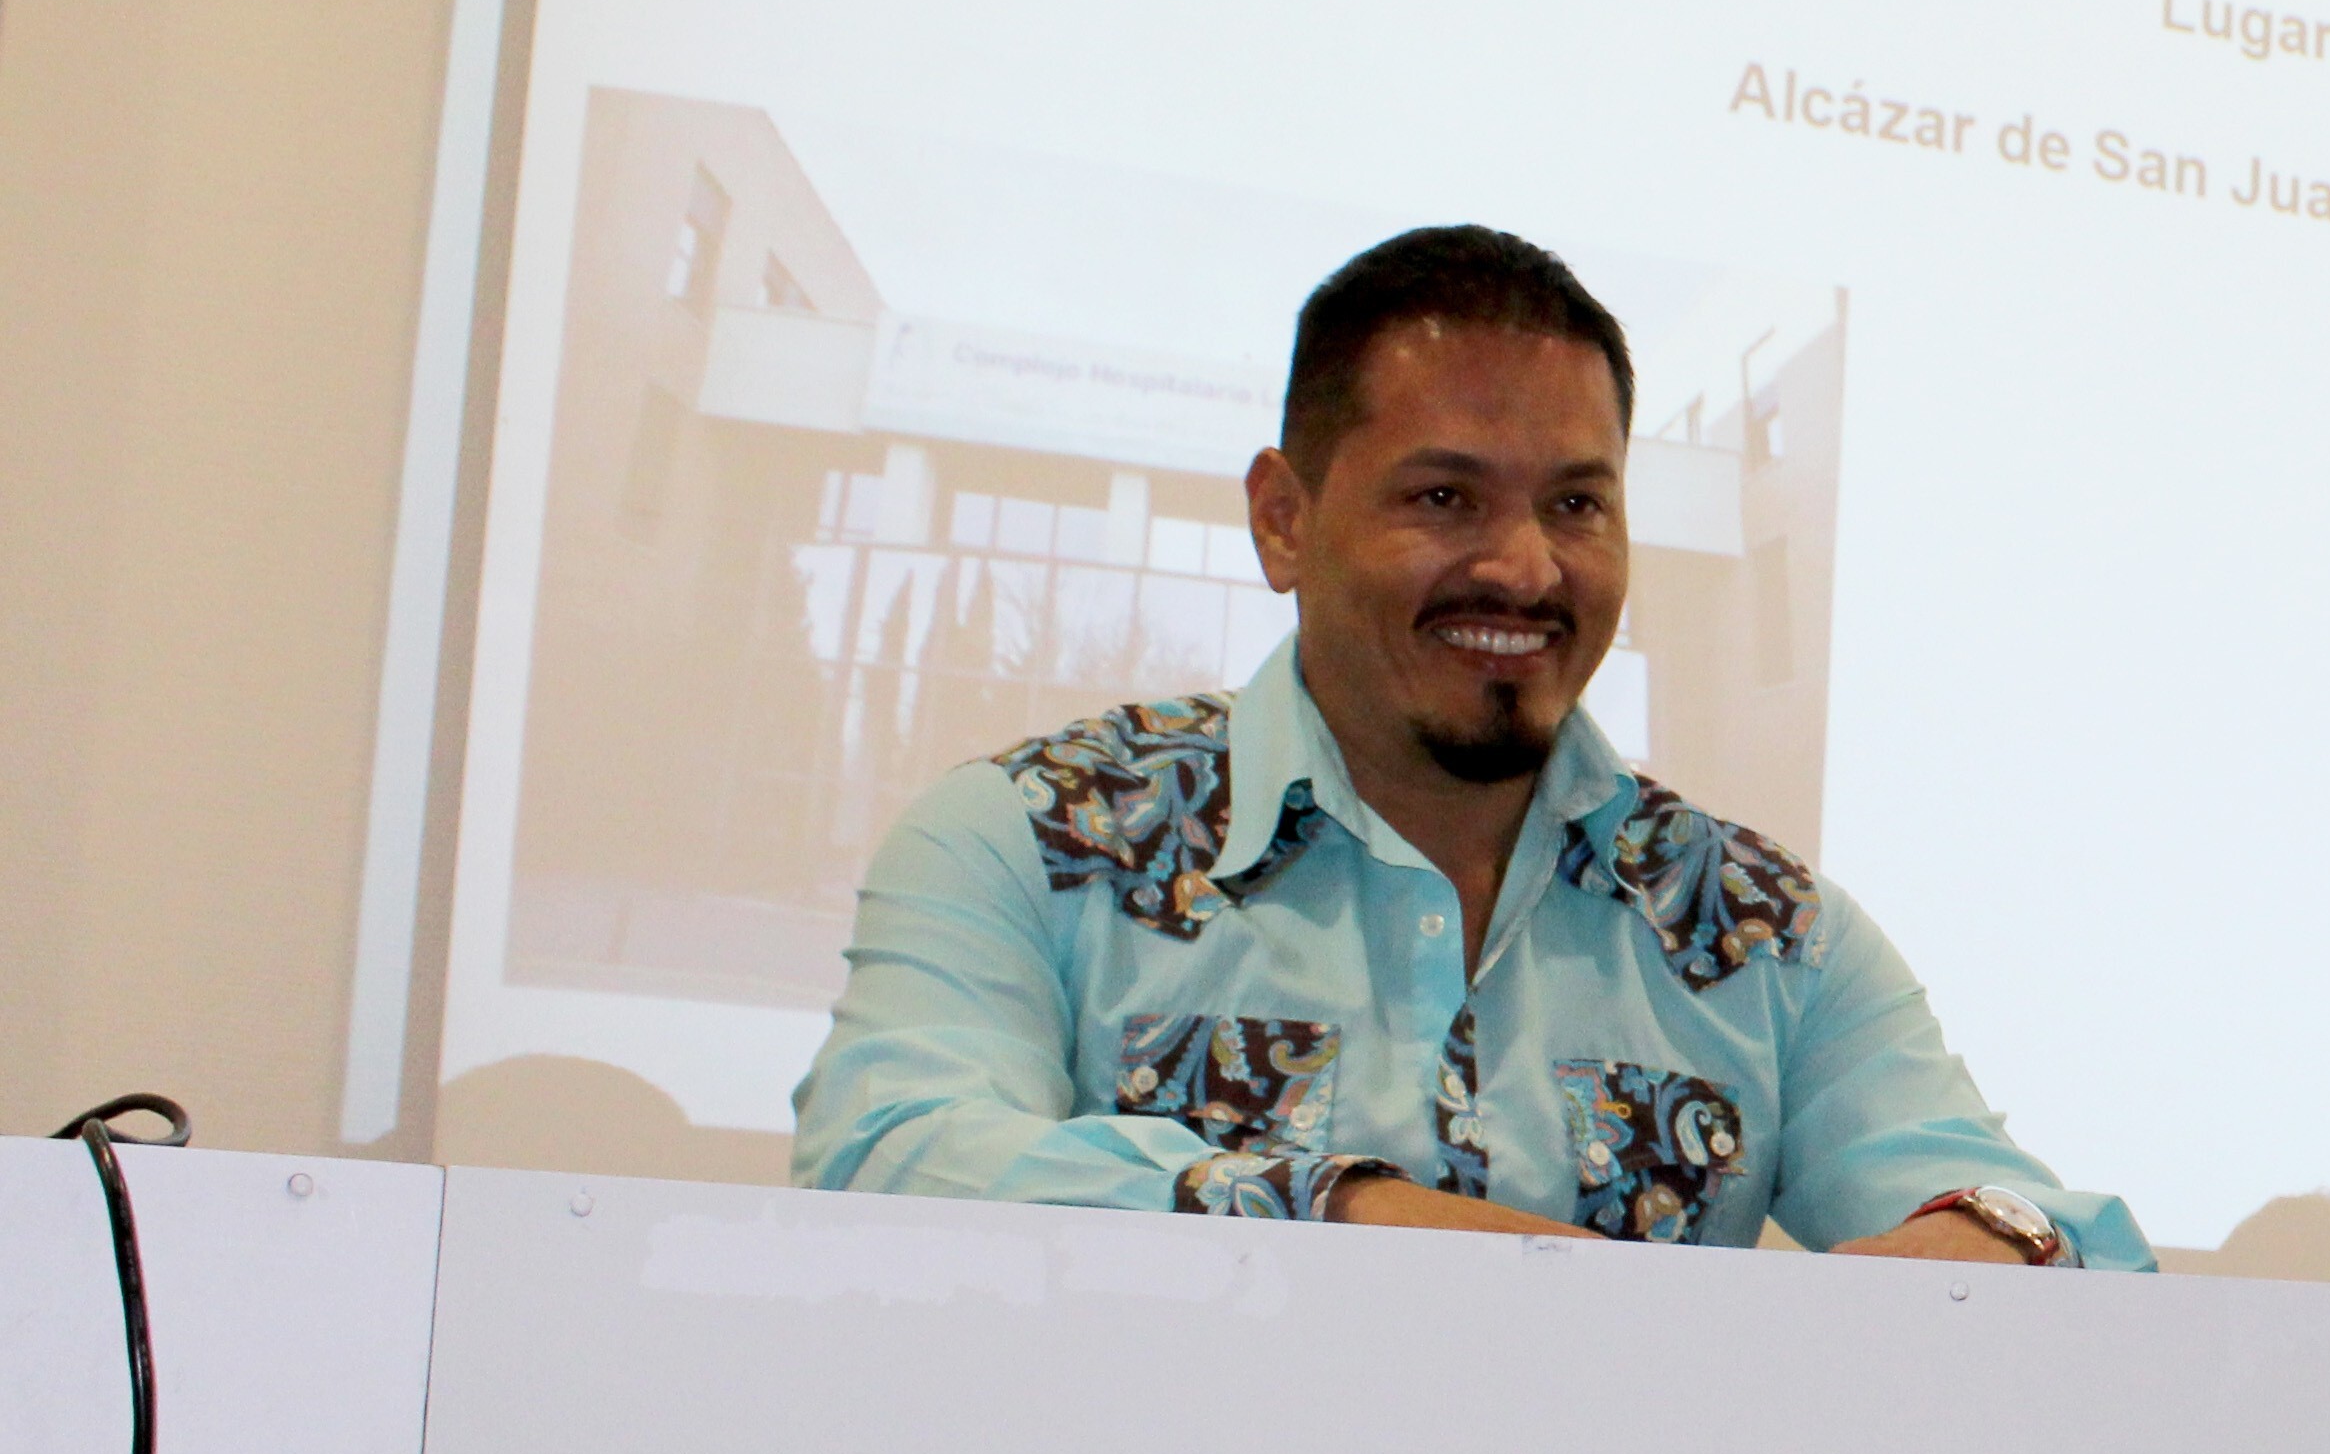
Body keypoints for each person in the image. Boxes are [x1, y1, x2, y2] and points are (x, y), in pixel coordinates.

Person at [794, 225, 2141, 1264]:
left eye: (1576, 504)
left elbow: (2056, 1231)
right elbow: (887, 1158)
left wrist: (1997, 1249)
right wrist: (1351, 1216)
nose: (1524, 567)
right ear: (1282, 519)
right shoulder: (1032, 842)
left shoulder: (1760, 934)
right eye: (1444, 497)